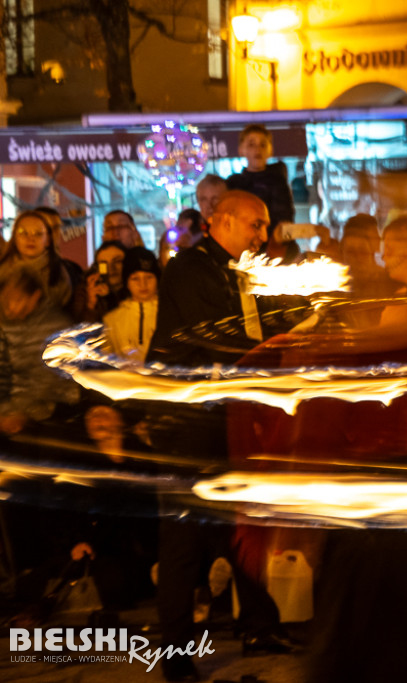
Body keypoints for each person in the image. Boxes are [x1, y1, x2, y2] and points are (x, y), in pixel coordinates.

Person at [147, 190, 289, 682]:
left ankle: (258, 625)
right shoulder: (189, 269)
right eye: (255, 225)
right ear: (220, 221)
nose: (262, 235)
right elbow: (217, 337)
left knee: (242, 525)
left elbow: (265, 324)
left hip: (227, 413)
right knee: (183, 540)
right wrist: (277, 352)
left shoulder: (244, 271)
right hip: (187, 420)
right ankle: (175, 653)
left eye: (265, 226)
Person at [0, 268, 79, 435]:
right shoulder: (4, 322)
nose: (9, 307)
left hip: (52, 409)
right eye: (5, 299)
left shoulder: (55, 326)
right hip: (12, 408)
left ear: (35, 297)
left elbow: (46, 380)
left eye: (17, 299)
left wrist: (18, 412)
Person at [226, 124, 298, 262]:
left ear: (270, 150)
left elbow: (285, 219)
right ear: (241, 150)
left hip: (274, 253)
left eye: (263, 145)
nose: (257, 149)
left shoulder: (278, 182)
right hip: (240, 253)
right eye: (251, 144)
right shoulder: (233, 184)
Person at [0, 210, 73, 310]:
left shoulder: (58, 273)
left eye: (38, 234)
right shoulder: (3, 270)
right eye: (23, 232)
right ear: (14, 237)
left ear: (48, 240)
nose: (30, 238)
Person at [103, 247, 160, 363]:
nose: (143, 284)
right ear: (127, 283)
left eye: (149, 277)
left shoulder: (169, 314)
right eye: (135, 279)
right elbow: (106, 359)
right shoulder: (112, 320)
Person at [72, 241, 127, 323]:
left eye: (117, 261)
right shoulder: (85, 291)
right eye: (104, 264)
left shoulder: (139, 286)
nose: (111, 268)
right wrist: (91, 304)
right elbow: (83, 329)